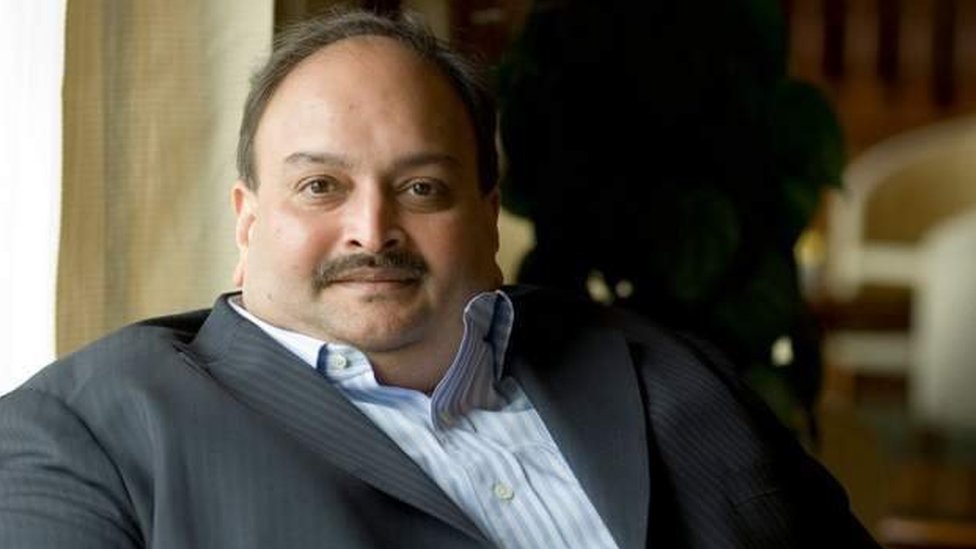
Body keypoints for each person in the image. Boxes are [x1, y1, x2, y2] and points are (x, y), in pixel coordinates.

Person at [0, 7, 879, 548]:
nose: (372, 229)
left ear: (488, 216)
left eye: (422, 187)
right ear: (248, 218)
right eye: (321, 185)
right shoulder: (86, 431)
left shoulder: (660, 367)